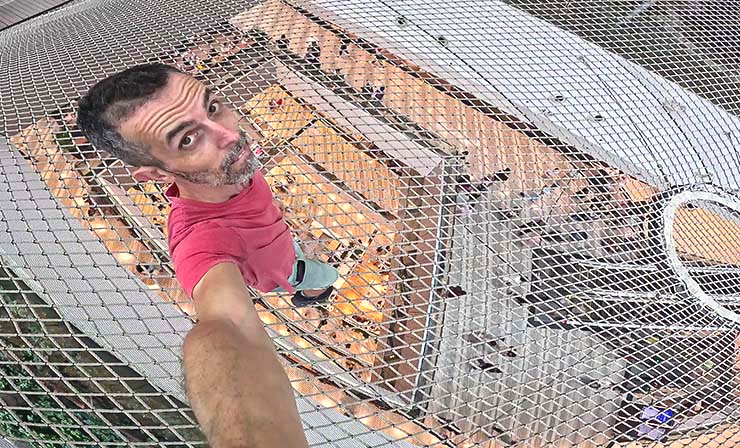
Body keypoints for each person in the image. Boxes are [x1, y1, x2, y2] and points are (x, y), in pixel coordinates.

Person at [76, 63, 339, 447]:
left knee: (292, 244)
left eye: (212, 107)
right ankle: (307, 293)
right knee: (324, 276)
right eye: (187, 140)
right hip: (282, 269)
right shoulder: (201, 242)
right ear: (157, 175)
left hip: (278, 239)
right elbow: (225, 327)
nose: (231, 136)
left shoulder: (226, 168)